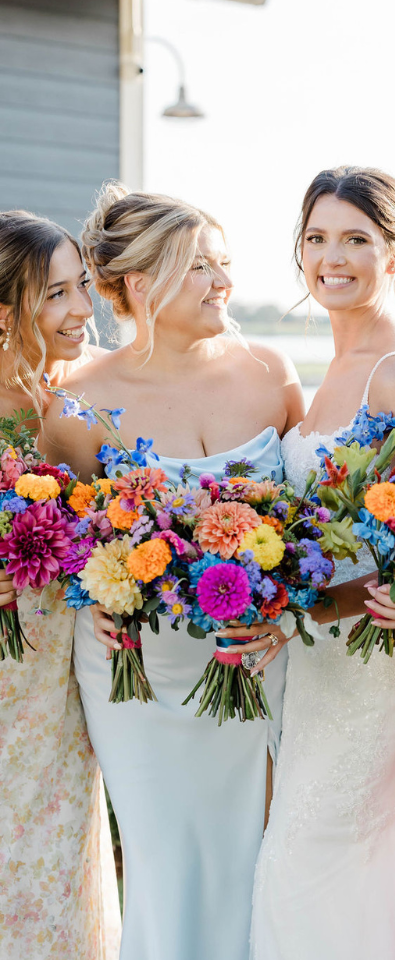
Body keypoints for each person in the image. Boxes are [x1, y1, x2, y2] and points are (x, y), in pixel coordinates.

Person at [42, 183, 303, 960]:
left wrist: (289, 605)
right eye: (200, 266)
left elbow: (308, 521)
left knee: (258, 860)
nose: (224, 281)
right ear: (139, 283)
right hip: (137, 677)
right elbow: (67, 539)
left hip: (255, 661)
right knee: (165, 864)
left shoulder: (270, 370)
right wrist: (96, 586)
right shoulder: (77, 402)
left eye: (224, 263)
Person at [247, 166, 395, 960]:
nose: (332, 258)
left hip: (373, 659)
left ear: (393, 253)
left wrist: (302, 609)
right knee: (306, 855)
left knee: (316, 855)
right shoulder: (332, 367)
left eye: (356, 239)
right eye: (316, 238)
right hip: (312, 660)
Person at [0, 211, 120, 959]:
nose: (83, 309)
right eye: (57, 294)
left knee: (51, 870)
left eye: (83, 286)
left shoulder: (84, 403)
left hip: (55, 689)